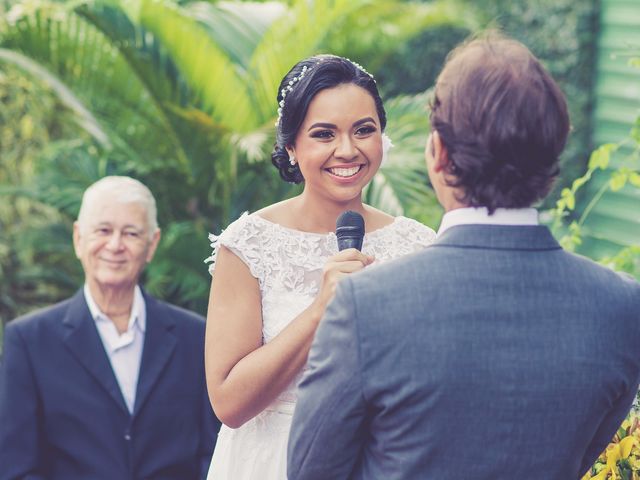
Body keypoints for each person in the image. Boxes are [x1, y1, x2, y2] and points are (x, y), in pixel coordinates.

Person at [288, 33, 640, 479]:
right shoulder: (623, 306)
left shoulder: (366, 304)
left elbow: (311, 472)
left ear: (439, 154)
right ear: (554, 159)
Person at [203, 54, 436, 480]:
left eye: (364, 130)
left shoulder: (420, 246)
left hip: (385, 460)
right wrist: (320, 311)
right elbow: (228, 403)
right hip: (275, 461)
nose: (347, 150)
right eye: (323, 134)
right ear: (291, 146)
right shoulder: (249, 245)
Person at [0, 176, 220, 480]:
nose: (115, 245)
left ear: (151, 244)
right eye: (103, 230)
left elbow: (214, 455)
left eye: (130, 233)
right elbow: (17, 467)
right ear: (78, 238)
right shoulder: (28, 340)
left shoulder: (196, 336)